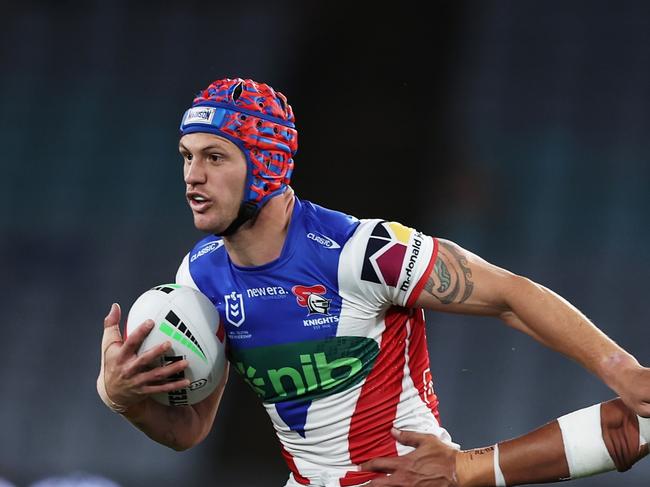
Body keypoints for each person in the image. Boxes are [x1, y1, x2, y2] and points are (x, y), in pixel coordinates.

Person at [97, 78, 649, 487]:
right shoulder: (199, 276)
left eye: (215, 157)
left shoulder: (361, 251)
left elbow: (509, 294)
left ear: (265, 164)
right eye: (187, 157)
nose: (193, 175)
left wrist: (619, 369)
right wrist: (124, 399)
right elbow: (190, 428)